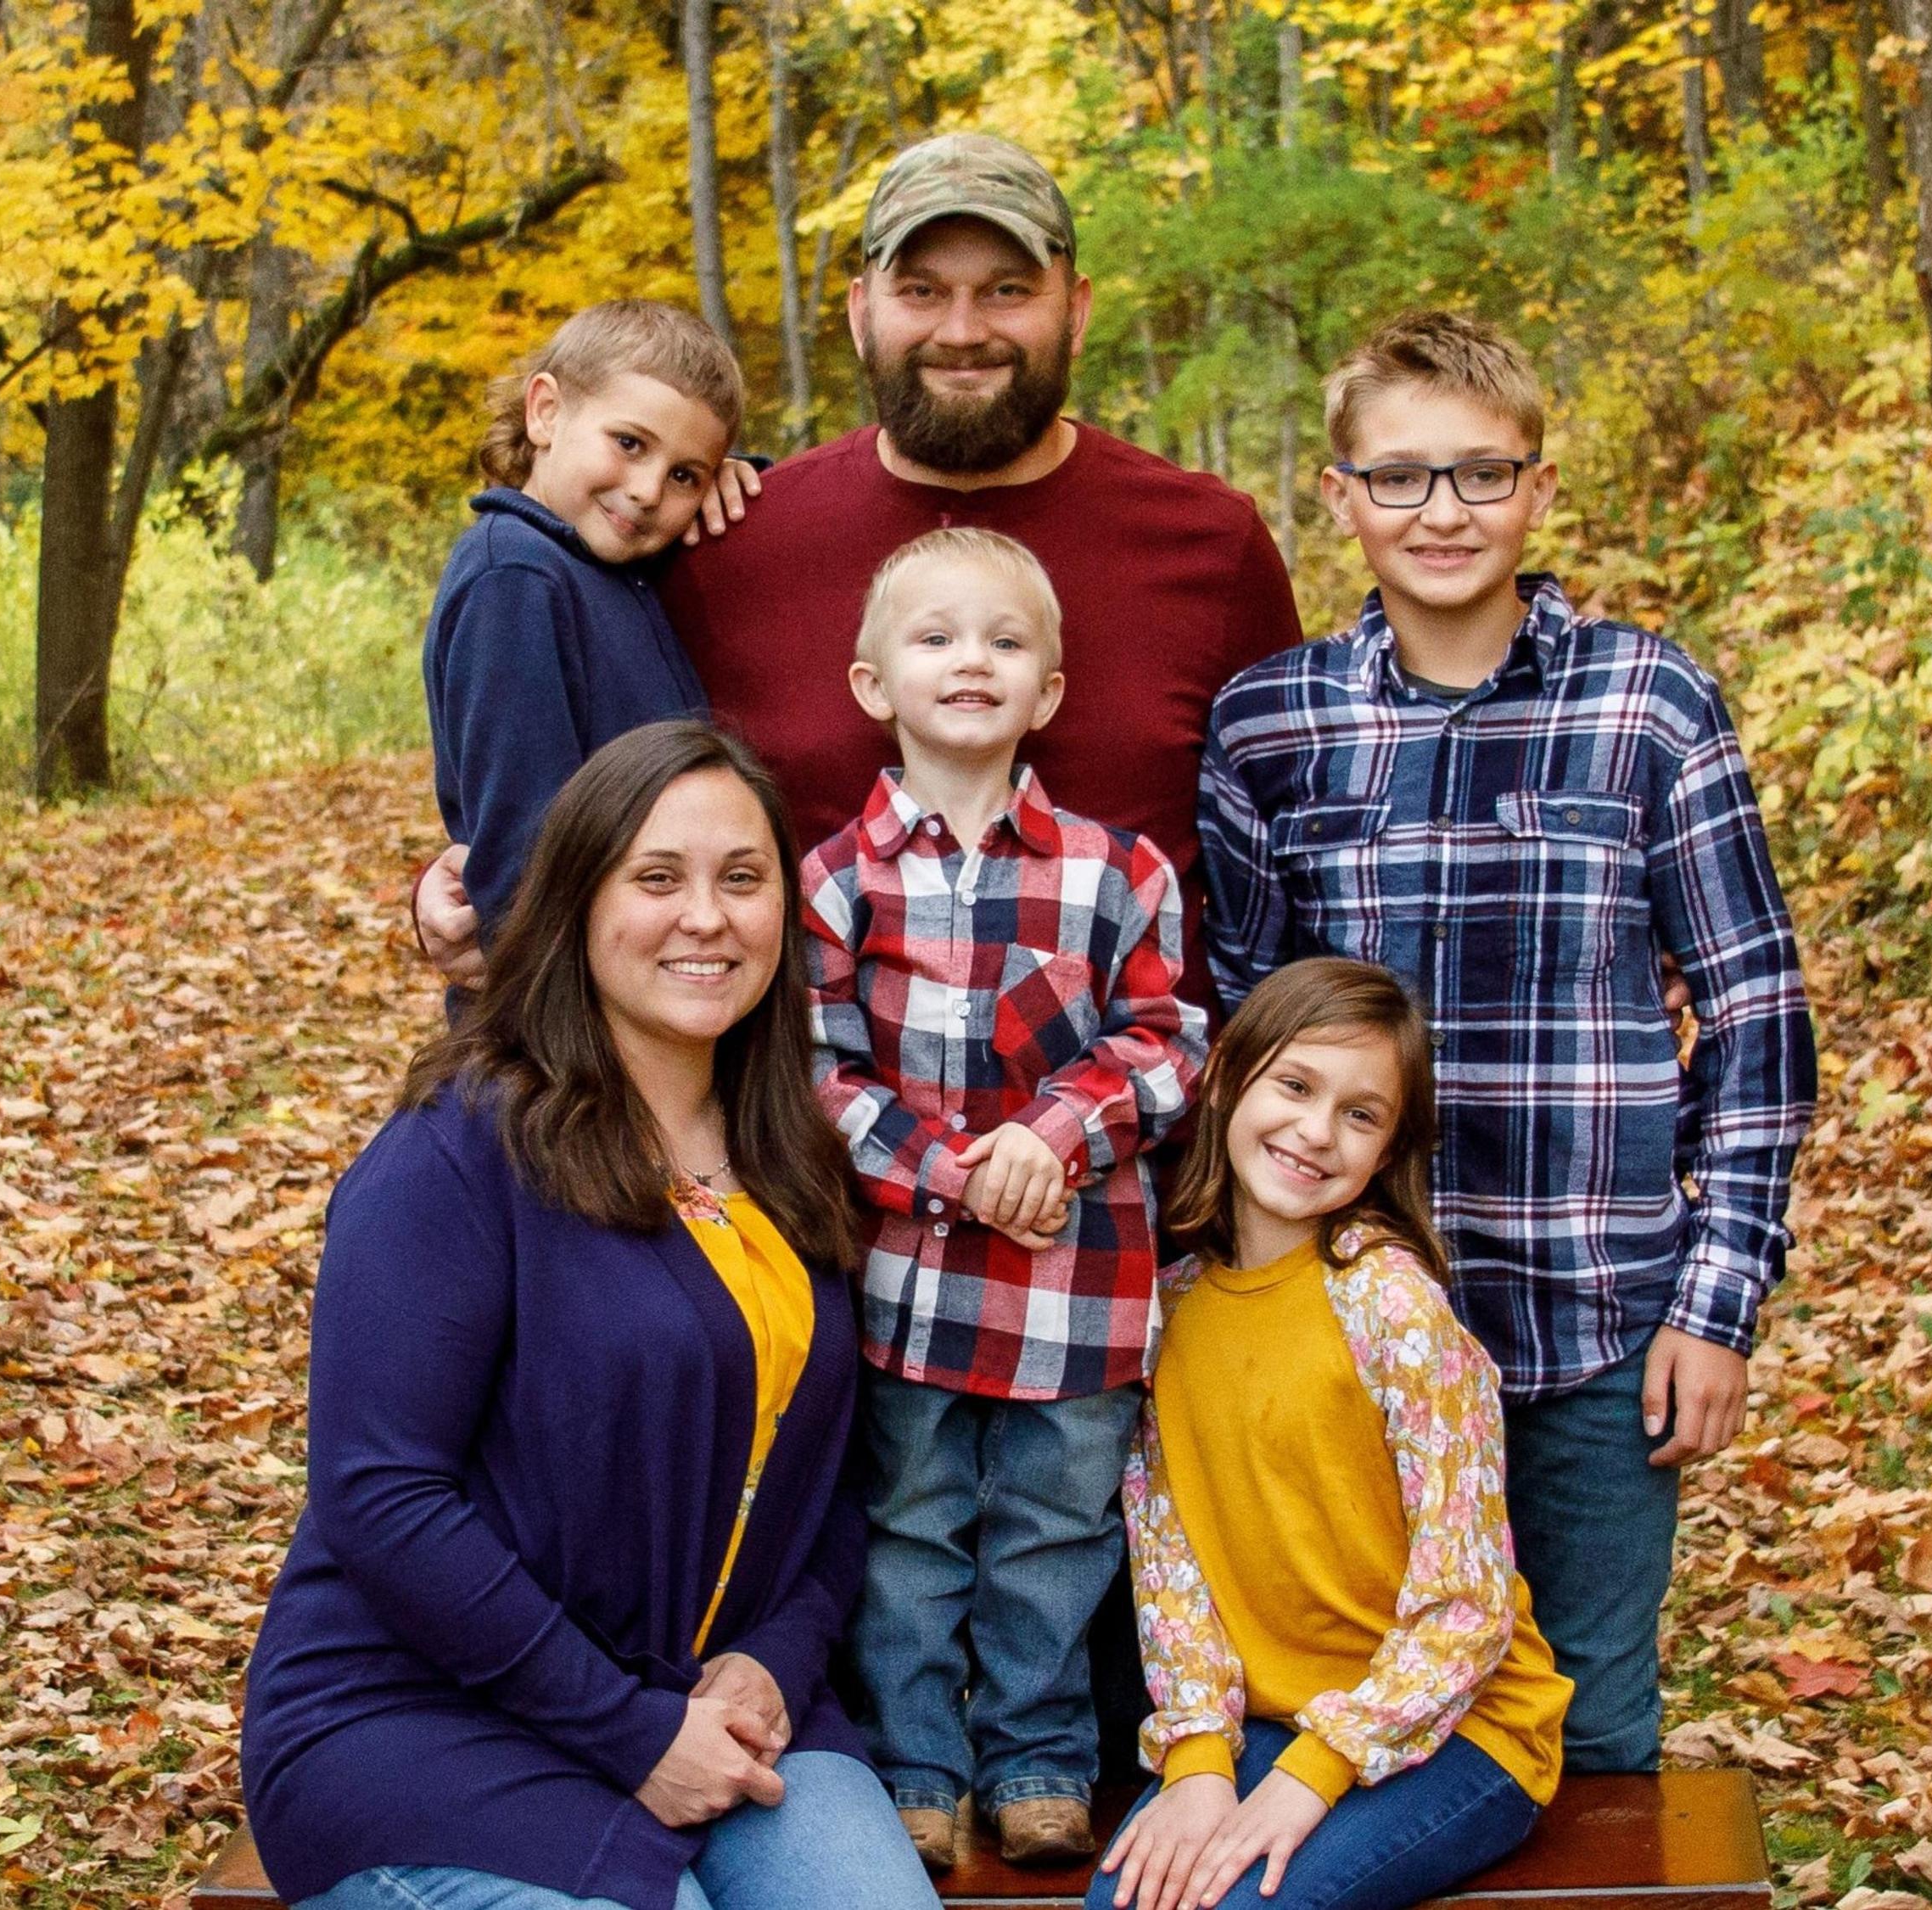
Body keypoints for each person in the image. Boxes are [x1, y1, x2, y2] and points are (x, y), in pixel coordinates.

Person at [1194, 312, 1816, 1777]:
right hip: (1346, 1333)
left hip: (1590, 1321)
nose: (1443, 512)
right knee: (1352, 1717)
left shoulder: (1648, 706)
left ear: (1539, 489)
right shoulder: (1271, 727)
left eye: (1482, 473)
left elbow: (1756, 1014)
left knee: (1589, 1736)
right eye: (1400, 478)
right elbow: (1237, 1024)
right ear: (1339, 498)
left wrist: (1717, 1300)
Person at [241, 721, 942, 1910]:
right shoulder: (461, 1149)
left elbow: (823, 1479)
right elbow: (381, 1492)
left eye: (742, 877)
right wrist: (628, 1731)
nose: (706, 917)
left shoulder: (791, 1158)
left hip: (718, 1702)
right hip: (428, 1720)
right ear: (576, 902)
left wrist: (777, 1657)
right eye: (656, 877)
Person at [415, 132, 1307, 995]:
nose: (962, 330)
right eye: (919, 289)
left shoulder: (1210, 546)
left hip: (1127, 1121)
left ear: (1074, 312)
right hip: (787, 1127)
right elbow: (558, 756)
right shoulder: (727, 540)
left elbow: (1298, 863)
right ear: (859, 312)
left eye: (1006, 289)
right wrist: (458, 883)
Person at [799, 529, 1209, 1868]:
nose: (969, 658)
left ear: (1046, 690)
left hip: (1077, 1281)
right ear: (874, 683)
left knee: (1055, 1525)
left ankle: (1039, 1754)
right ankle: (915, 1760)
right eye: (935, 637)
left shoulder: (1116, 871)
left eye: (1003, 640)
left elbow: (1166, 1044)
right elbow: (813, 1065)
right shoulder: (833, 881)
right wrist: (943, 1169)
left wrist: (1054, 1132)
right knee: (912, 1523)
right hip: (904, 1278)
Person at [1094, 959, 1571, 1910]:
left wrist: (1311, 1777)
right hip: (1276, 1722)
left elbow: (1466, 1607)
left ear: (1390, 1146)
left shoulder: (1394, 1309)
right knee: (1127, 1903)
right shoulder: (1168, 1311)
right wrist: (1194, 1762)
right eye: (1296, 1085)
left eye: (1361, 1114)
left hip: (1465, 1728)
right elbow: (1171, 1564)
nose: (1315, 1131)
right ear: (1229, 1075)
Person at [420, 301, 743, 938]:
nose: (650, 490)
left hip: (644, 966)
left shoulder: (612, 568)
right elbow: (523, 838)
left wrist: (744, 480)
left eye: (684, 475)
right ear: (546, 411)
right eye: (629, 443)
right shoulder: (514, 578)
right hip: (565, 1002)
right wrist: (556, 999)